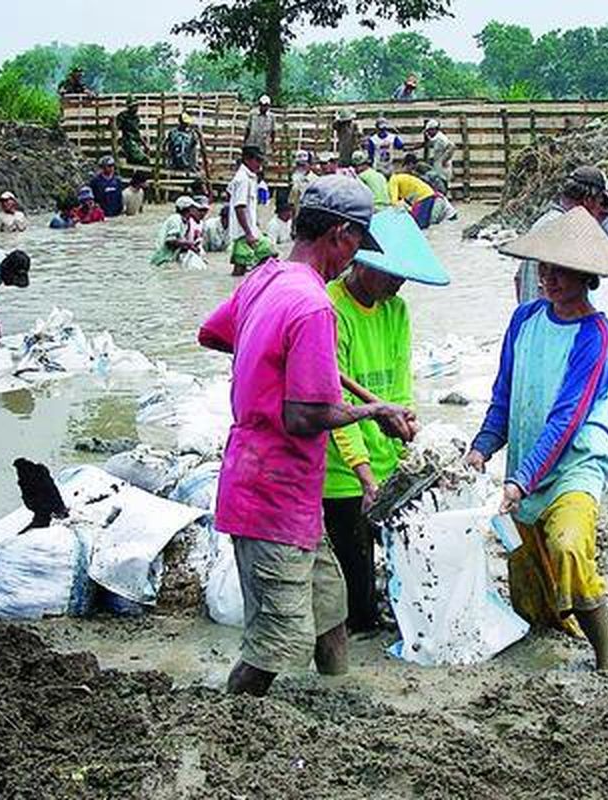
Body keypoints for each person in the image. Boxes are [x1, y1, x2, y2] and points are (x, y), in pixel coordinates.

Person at [197, 176, 418, 697]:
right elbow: (303, 416)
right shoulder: (318, 306)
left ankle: (340, 694)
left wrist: (281, 362)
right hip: (272, 489)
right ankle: (229, 719)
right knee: (274, 643)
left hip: (281, 489)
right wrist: (375, 411)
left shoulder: (266, 277)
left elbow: (214, 333)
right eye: (358, 243)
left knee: (329, 607)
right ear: (339, 234)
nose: (356, 256)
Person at [466, 208, 608, 672]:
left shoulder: (597, 336)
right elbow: (504, 395)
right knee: (527, 576)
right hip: (527, 458)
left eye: (561, 270)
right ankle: (543, 647)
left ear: (586, 277)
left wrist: (519, 482)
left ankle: (606, 659)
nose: (549, 278)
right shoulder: (524, 321)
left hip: (576, 463)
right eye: (544, 268)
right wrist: (481, 449)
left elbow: (567, 419)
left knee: (568, 545)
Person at [324, 209, 449, 633]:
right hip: (343, 474)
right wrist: (363, 477)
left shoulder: (396, 311)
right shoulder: (331, 309)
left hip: (386, 463)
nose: (398, 282)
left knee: (410, 572)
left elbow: (400, 386)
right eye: (390, 273)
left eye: (402, 275)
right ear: (360, 261)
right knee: (359, 603)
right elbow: (334, 404)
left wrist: (408, 446)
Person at [514, 166, 608, 378]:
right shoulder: (569, 231)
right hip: (552, 332)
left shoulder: (545, 223)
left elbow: (518, 279)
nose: (600, 212)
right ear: (588, 201)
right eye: (599, 204)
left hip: (532, 333)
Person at [227, 145, 277, 275]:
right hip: (243, 232)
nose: (260, 165)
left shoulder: (249, 177)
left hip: (249, 230)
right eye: (258, 161)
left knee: (265, 256)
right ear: (248, 160)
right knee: (267, 255)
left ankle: (253, 282)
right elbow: (239, 207)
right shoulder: (243, 179)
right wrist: (248, 232)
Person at [151, 196, 207, 270]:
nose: (195, 210)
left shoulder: (185, 222)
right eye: (193, 208)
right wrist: (188, 243)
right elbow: (170, 240)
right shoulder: (175, 219)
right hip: (162, 259)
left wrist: (191, 247)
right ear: (188, 209)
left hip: (170, 258)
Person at [388, 155, 439, 229]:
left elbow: (394, 201)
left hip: (423, 196)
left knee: (419, 224)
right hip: (428, 193)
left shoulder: (393, 180)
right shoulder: (403, 176)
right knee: (423, 223)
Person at [422, 119, 455, 189]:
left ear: (434, 129)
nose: (429, 133)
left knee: (442, 186)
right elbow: (429, 143)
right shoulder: (436, 138)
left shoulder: (441, 138)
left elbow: (451, 147)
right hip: (438, 168)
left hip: (443, 168)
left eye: (429, 131)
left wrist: (444, 160)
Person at [116, 96, 149, 165]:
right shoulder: (123, 116)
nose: (137, 108)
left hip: (136, 142)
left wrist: (144, 144)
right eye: (134, 106)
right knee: (144, 159)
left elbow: (137, 132)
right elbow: (115, 127)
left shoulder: (136, 118)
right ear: (130, 107)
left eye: (137, 106)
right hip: (128, 142)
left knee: (134, 163)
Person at [243, 94, 277, 159]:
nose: (264, 107)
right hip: (252, 141)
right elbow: (248, 128)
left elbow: (273, 131)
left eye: (266, 106)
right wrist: (245, 141)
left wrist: (272, 144)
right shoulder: (253, 114)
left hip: (264, 142)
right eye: (262, 105)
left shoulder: (271, 117)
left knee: (262, 158)